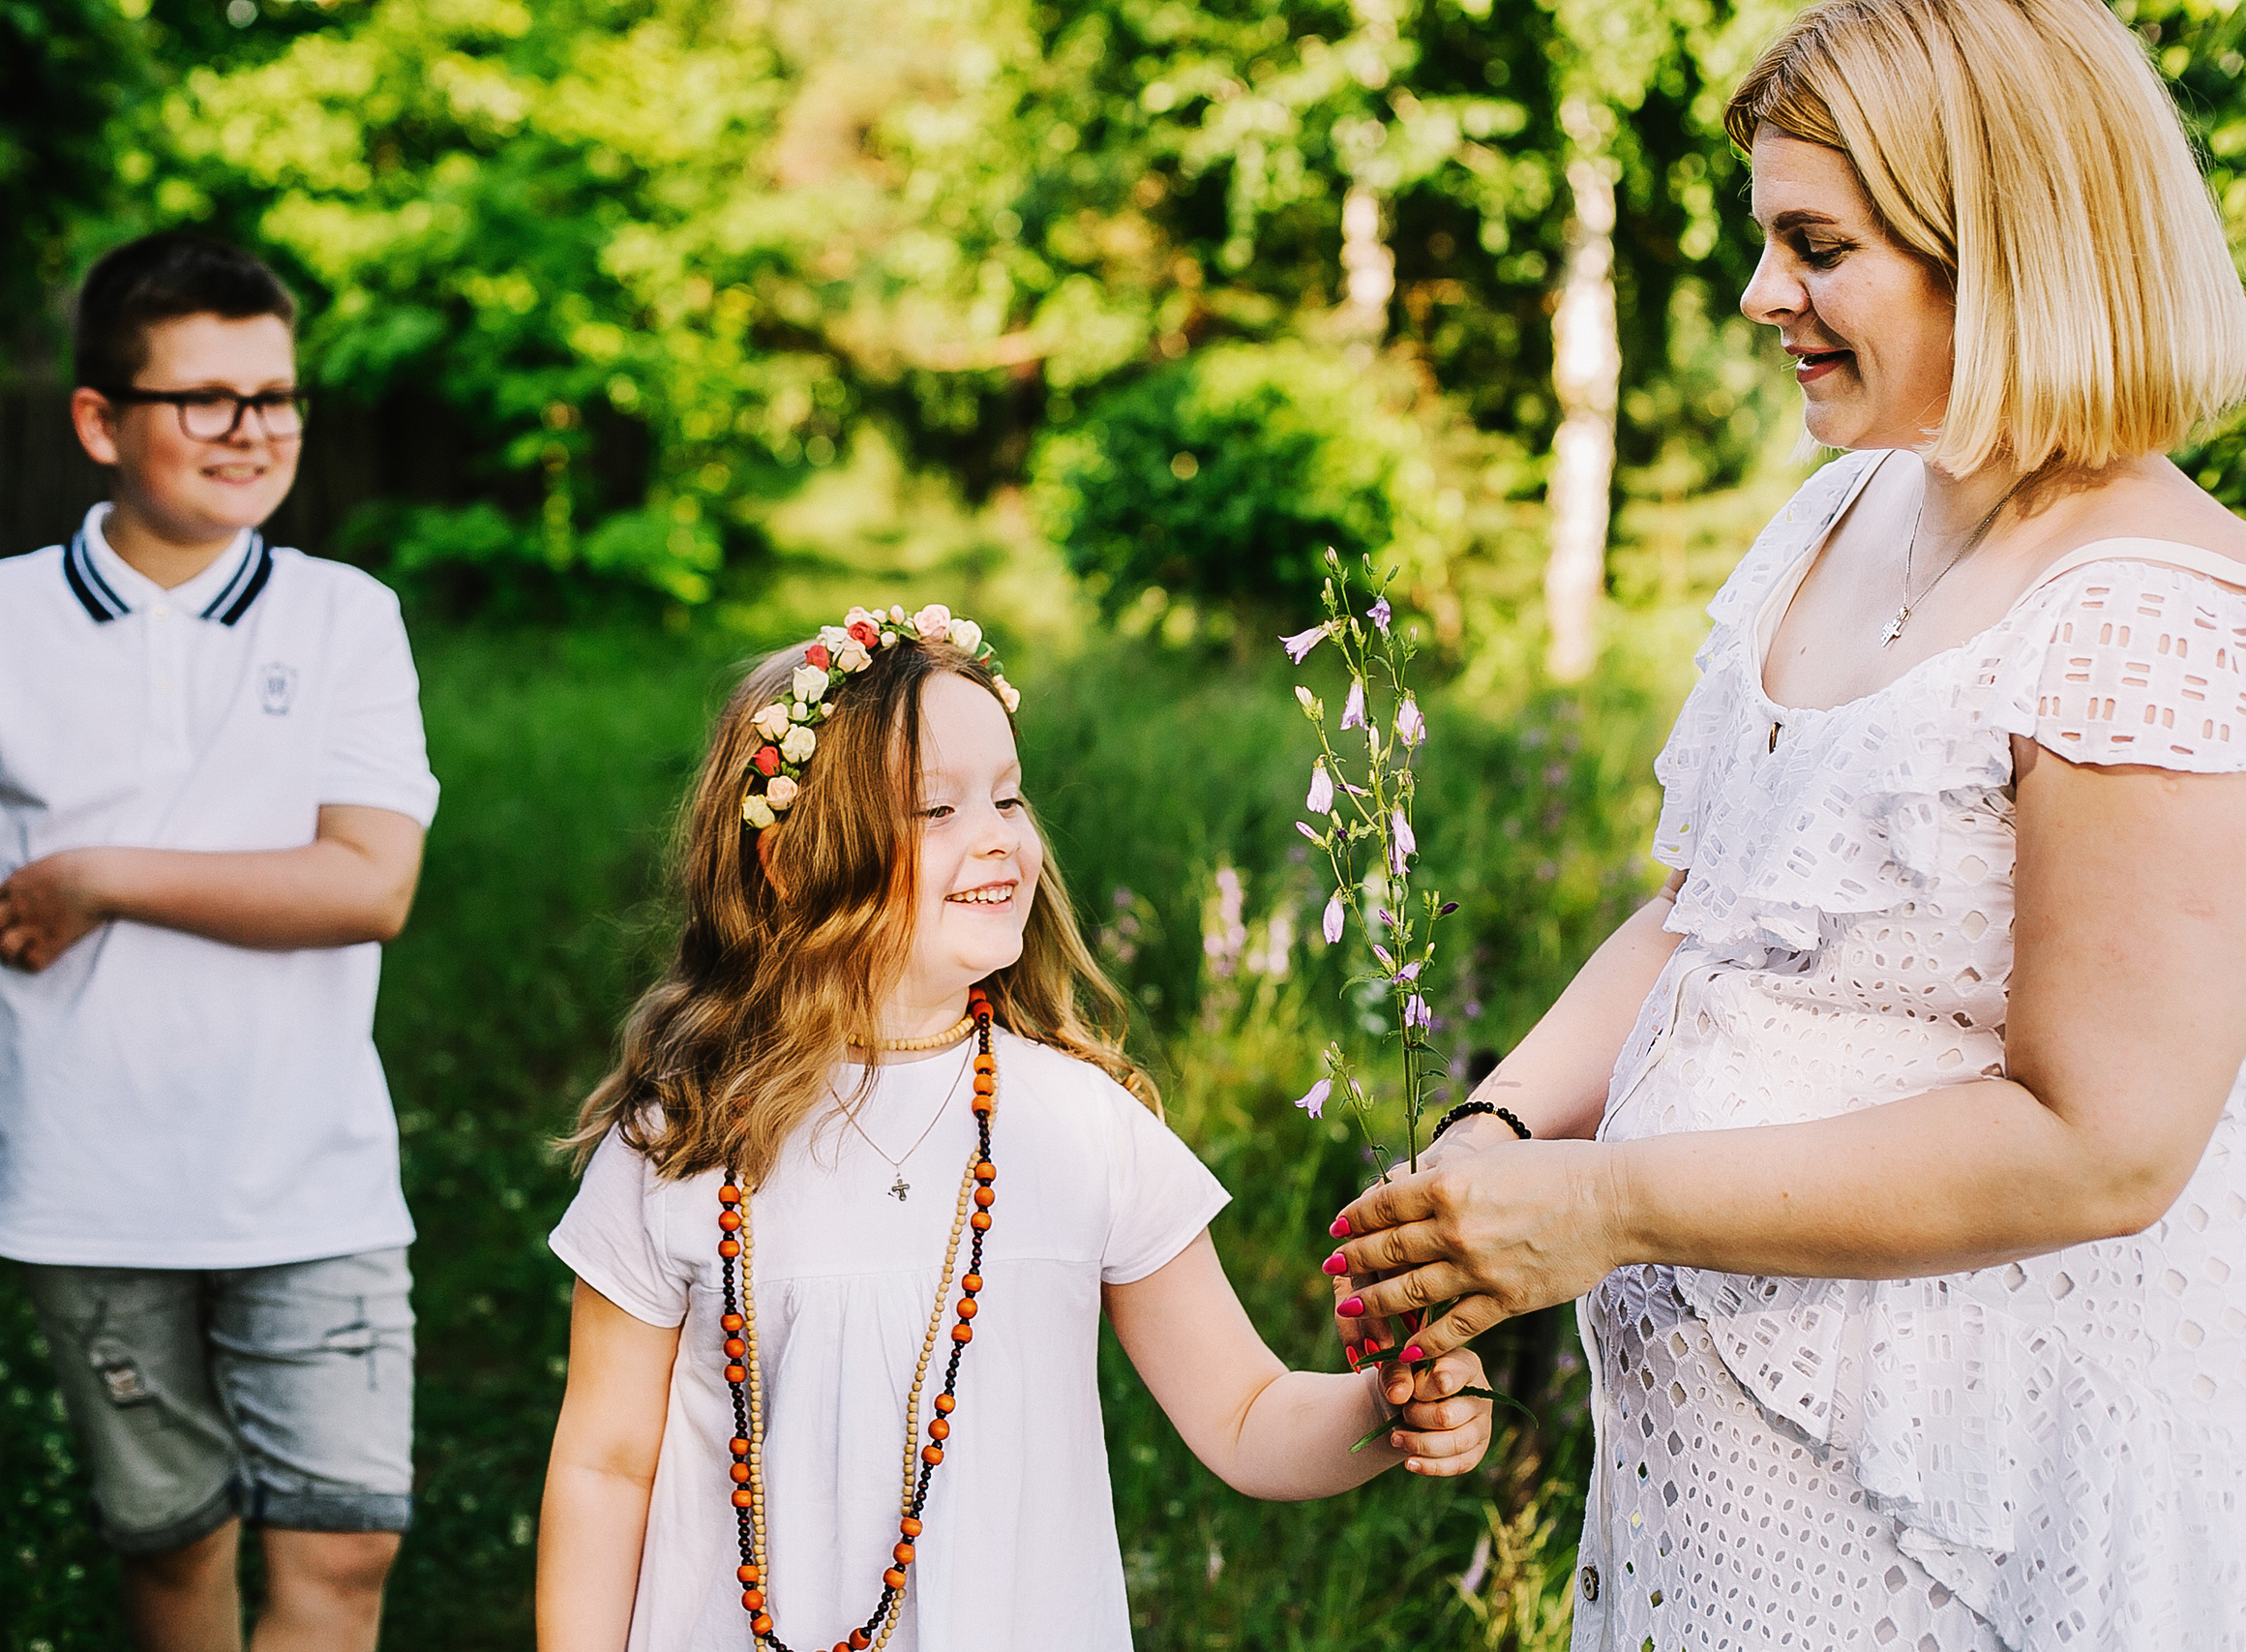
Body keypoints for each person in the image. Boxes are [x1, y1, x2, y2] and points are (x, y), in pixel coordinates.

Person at [1324, 2, 2246, 1648]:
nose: (1763, 297)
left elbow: (2104, 1140)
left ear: (2009, 246)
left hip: (1969, 1497)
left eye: (1817, 245)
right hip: (1728, 1494)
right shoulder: (1847, 506)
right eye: (1769, 240)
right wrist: (1503, 1136)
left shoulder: (2148, 616)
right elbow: (1707, 912)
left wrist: (1608, 1206)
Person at [533, 605, 1493, 1651]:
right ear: (793, 861)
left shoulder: (1082, 1128)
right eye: (936, 808)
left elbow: (1245, 1412)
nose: (998, 835)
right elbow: (604, 1462)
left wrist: (1388, 1410)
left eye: (1007, 795)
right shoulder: (688, 1137)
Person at [0, 231, 439, 1652]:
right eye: (207, 398)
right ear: (102, 420)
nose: (254, 430)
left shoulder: (348, 618)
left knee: (345, 1543)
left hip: (311, 1177)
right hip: (84, 1182)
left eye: (277, 395)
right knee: (172, 1547)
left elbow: (368, 884)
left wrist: (99, 874)